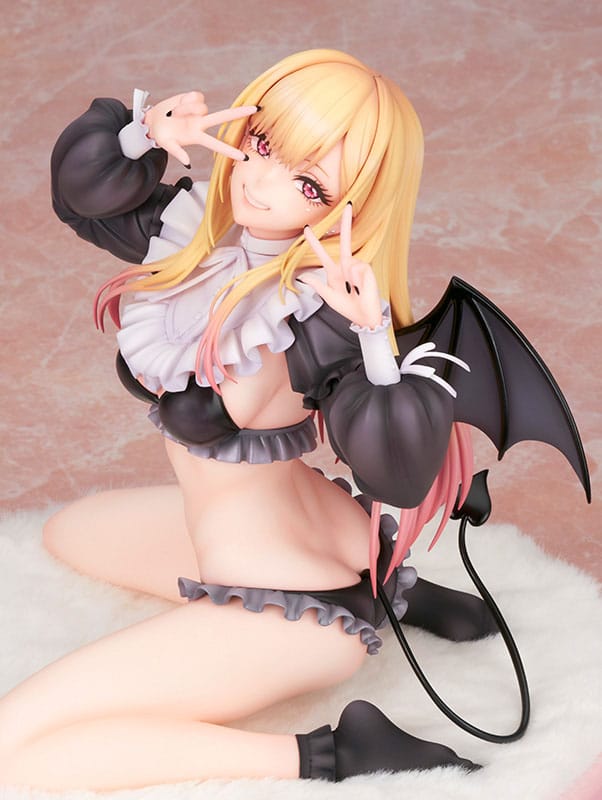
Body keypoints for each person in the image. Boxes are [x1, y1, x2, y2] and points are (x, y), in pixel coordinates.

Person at [0, 49, 492, 790]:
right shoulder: (200, 236)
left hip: (295, 608)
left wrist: (373, 339)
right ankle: (394, 586)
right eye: (262, 145)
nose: (260, 182)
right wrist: (144, 134)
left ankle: (340, 751)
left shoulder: (323, 313)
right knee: (66, 532)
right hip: (278, 534)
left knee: (13, 746)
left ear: (351, 206)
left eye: (307, 183)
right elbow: (82, 200)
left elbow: (399, 469)